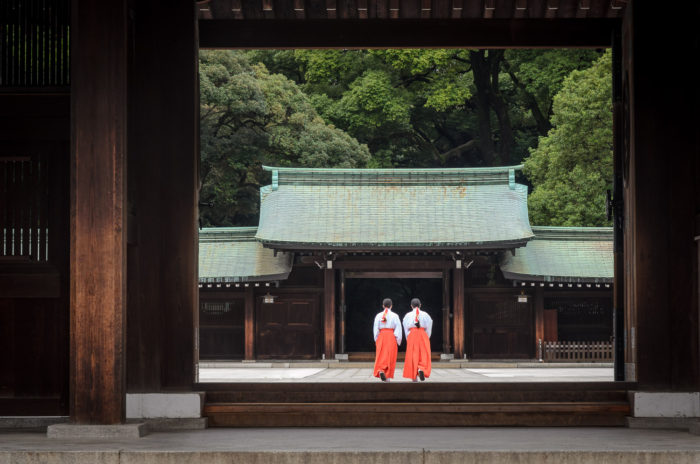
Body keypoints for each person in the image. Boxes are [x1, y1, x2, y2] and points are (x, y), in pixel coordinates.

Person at [402, 298, 432, 381]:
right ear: (420, 305)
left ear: (411, 306)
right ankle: (421, 368)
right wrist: (426, 336)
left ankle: (414, 377)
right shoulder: (426, 315)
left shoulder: (408, 315)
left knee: (412, 355)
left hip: (412, 334)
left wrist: (408, 336)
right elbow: (429, 326)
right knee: (423, 354)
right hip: (423, 334)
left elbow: (405, 327)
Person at [372, 298, 402, 382]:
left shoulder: (378, 315)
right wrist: (398, 340)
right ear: (391, 306)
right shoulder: (395, 315)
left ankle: (381, 369)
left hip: (381, 335)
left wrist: (376, 339)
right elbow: (398, 329)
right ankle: (387, 377)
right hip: (391, 336)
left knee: (381, 355)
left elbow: (375, 328)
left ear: (383, 306)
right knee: (390, 356)